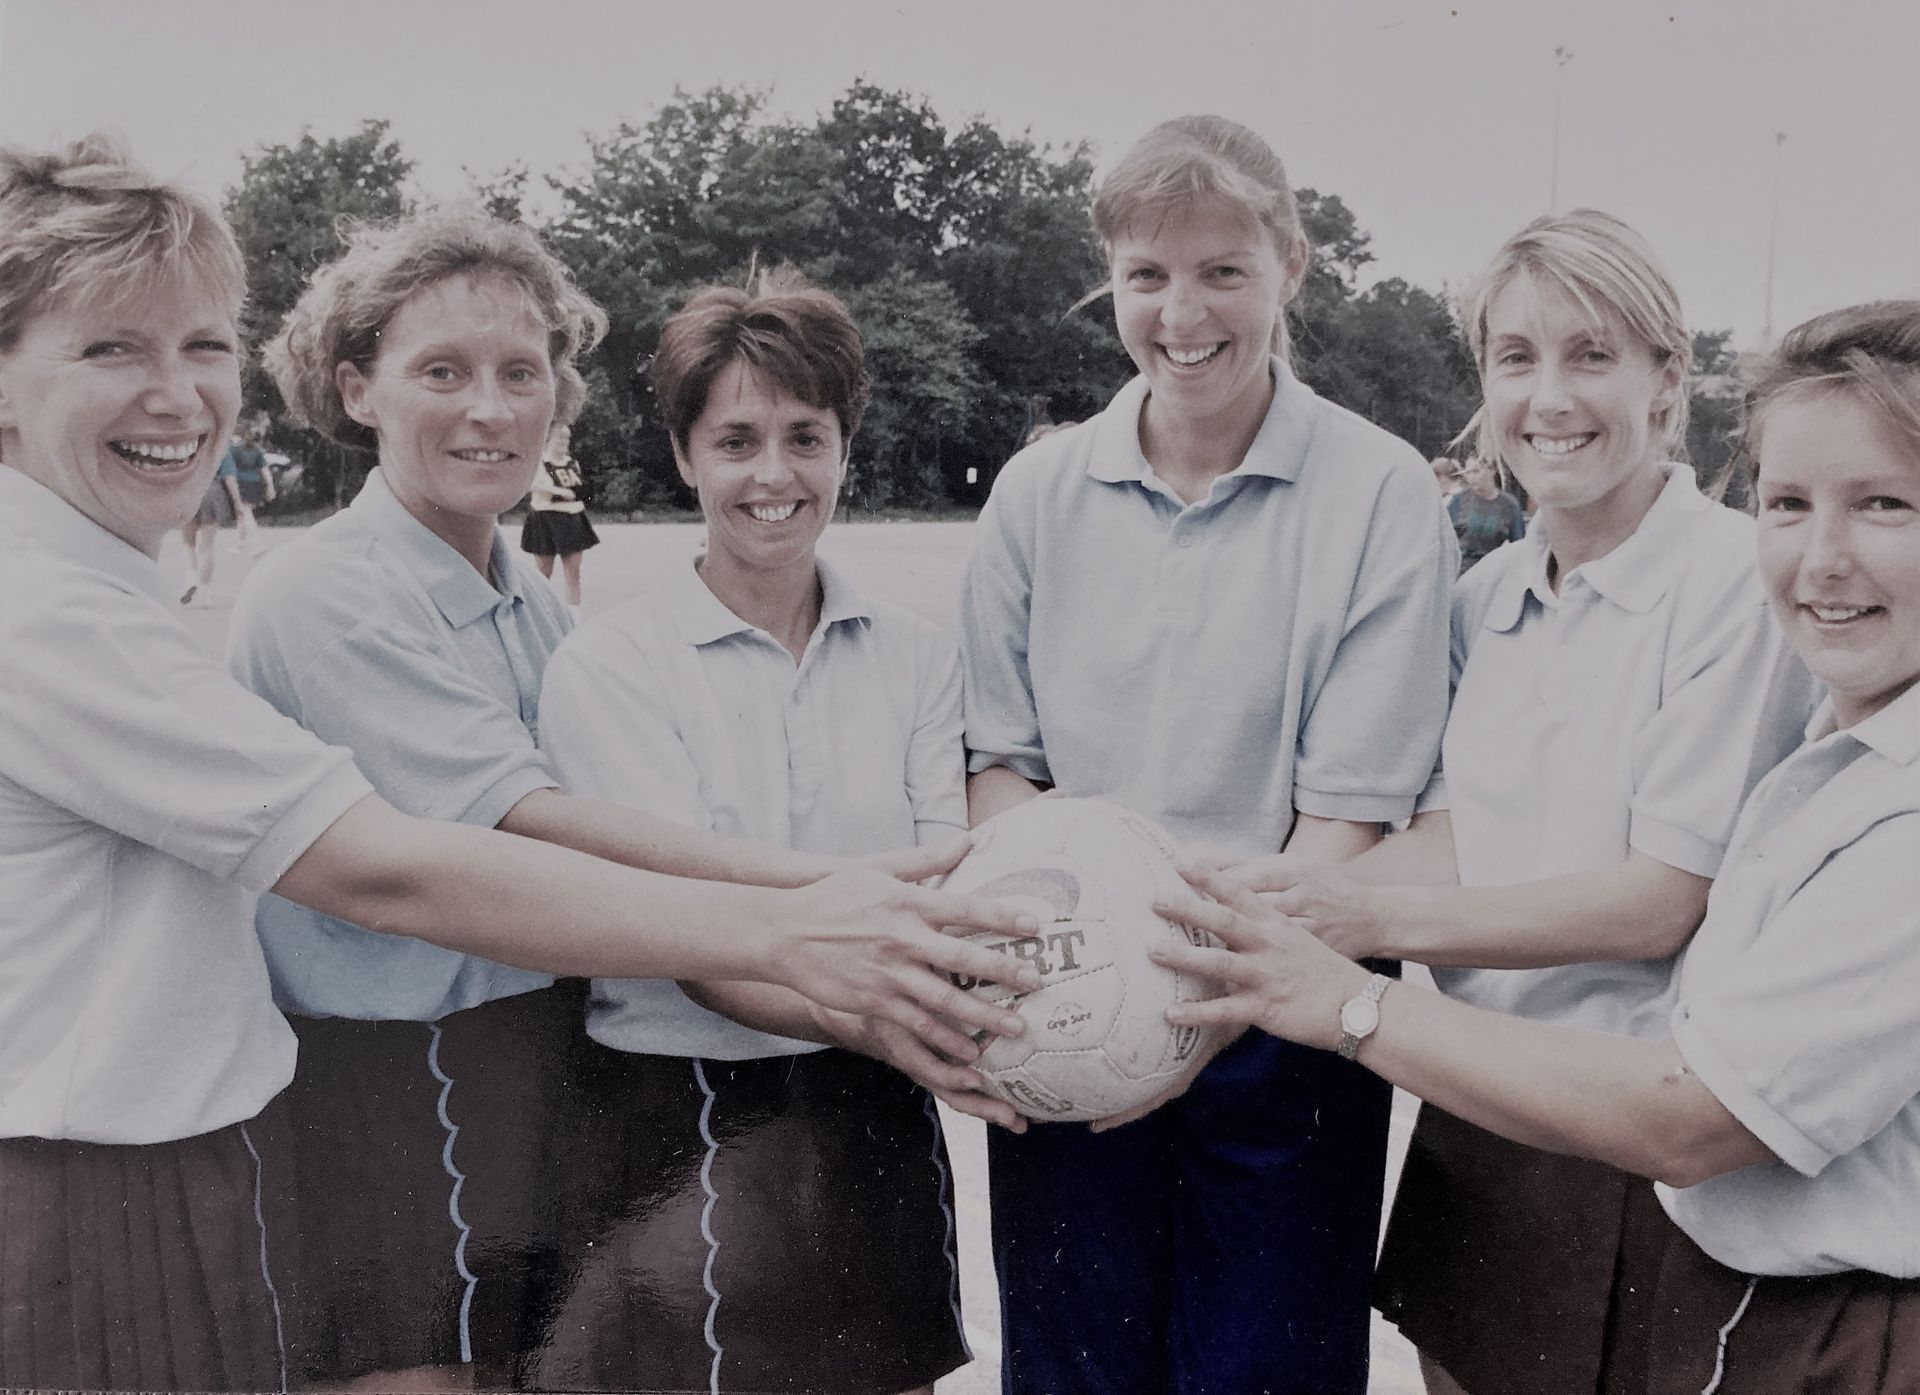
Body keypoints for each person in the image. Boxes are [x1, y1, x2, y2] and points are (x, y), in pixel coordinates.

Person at [0, 135, 1039, 1395]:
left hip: (521, 1070)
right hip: (381, 1085)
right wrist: (809, 905)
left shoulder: (529, 603)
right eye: (440, 371)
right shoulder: (303, 592)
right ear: (354, 388)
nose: (489, 408)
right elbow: (484, 837)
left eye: (521, 372)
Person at [1154, 298, 1920, 1395]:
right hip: (1524, 1117)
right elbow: (1456, 836)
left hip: (1744, 1230)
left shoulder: (1865, 768)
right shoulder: (1829, 744)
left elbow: (1691, 1101)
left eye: (1886, 504)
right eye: (1788, 503)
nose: (1822, 559)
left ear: (1668, 379)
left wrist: (1347, 992)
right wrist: (1283, 904)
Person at [959, 114, 1456, 1395]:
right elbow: (1001, 775)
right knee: (1073, 1370)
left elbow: (1347, 817)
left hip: (1287, 1011)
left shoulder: (1382, 489)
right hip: (1075, 1009)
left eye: (1222, 270)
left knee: (1265, 1375)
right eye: (1148, 275)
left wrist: (1187, 1018)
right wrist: (1095, 1001)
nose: (1182, 314)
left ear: (1292, 265)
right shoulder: (1036, 494)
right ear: (1110, 279)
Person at [531, 270, 1000, 1395]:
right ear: (685, 455)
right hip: (677, 1104)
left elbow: (942, 880)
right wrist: (907, 1026)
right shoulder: (611, 664)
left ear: (846, 448)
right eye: (736, 441)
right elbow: (693, 943)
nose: (774, 475)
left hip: (870, 1095)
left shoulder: (917, 653)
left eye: (806, 438)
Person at [520, 421, 596, 610]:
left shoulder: (572, 463)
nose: (564, 441)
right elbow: (527, 484)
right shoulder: (539, 462)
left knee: (573, 572)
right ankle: (540, 613)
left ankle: (573, 616)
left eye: (567, 438)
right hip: (545, 518)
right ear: (548, 438)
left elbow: (580, 488)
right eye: (560, 437)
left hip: (572, 518)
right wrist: (557, 490)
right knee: (543, 573)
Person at [179, 443, 241, 603]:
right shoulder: (221, 446)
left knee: (188, 543)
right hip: (211, 491)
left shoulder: (188, 444)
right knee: (207, 546)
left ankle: (191, 577)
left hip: (188, 490)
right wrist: (237, 502)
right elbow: (229, 477)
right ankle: (205, 592)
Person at [1446, 453, 1526, 571]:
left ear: (1492, 470)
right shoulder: (1458, 500)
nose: (1471, 477)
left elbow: (1519, 546)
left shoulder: (1509, 505)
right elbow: (1444, 538)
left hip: (1492, 570)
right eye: (1468, 472)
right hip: (1460, 569)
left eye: (1476, 471)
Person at [225, 417, 276, 555]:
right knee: (242, 514)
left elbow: (230, 471)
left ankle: (256, 542)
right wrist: (270, 486)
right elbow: (265, 470)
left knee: (245, 513)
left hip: (241, 484)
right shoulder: (257, 450)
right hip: (255, 484)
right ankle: (240, 544)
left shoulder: (233, 450)